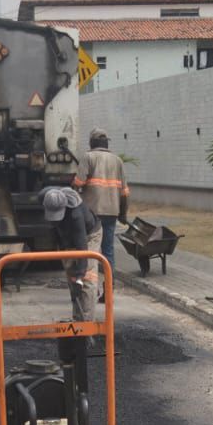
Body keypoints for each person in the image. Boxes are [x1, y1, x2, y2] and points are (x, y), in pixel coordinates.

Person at [74, 129, 129, 293]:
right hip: (112, 212)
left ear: (92, 142)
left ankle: (88, 288)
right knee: (108, 251)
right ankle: (109, 289)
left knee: (89, 249)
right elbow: (124, 192)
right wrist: (123, 213)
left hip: (92, 213)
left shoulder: (88, 157)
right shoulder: (117, 160)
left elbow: (78, 182)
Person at [42, 185, 102, 322]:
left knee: (87, 276)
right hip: (68, 237)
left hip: (90, 235)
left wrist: (80, 276)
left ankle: (87, 323)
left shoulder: (76, 214)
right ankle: (77, 318)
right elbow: (53, 228)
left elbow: (82, 248)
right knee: (71, 275)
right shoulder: (45, 198)